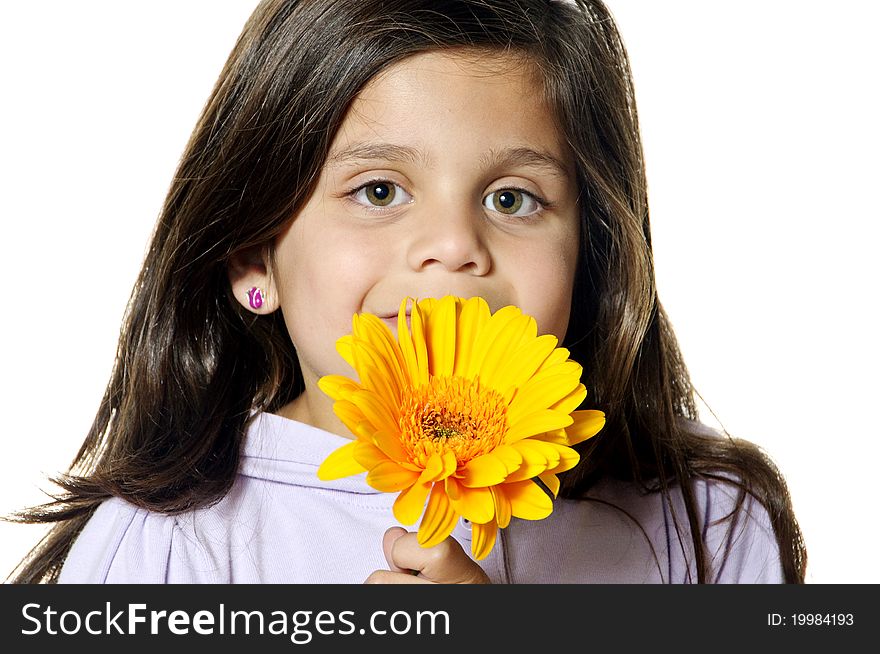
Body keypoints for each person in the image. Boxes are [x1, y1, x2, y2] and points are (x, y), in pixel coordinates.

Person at [7, 0, 806, 584]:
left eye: (512, 198)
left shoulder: (706, 525)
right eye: (381, 191)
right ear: (254, 261)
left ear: (588, 255)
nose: (455, 246)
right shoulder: (163, 549)